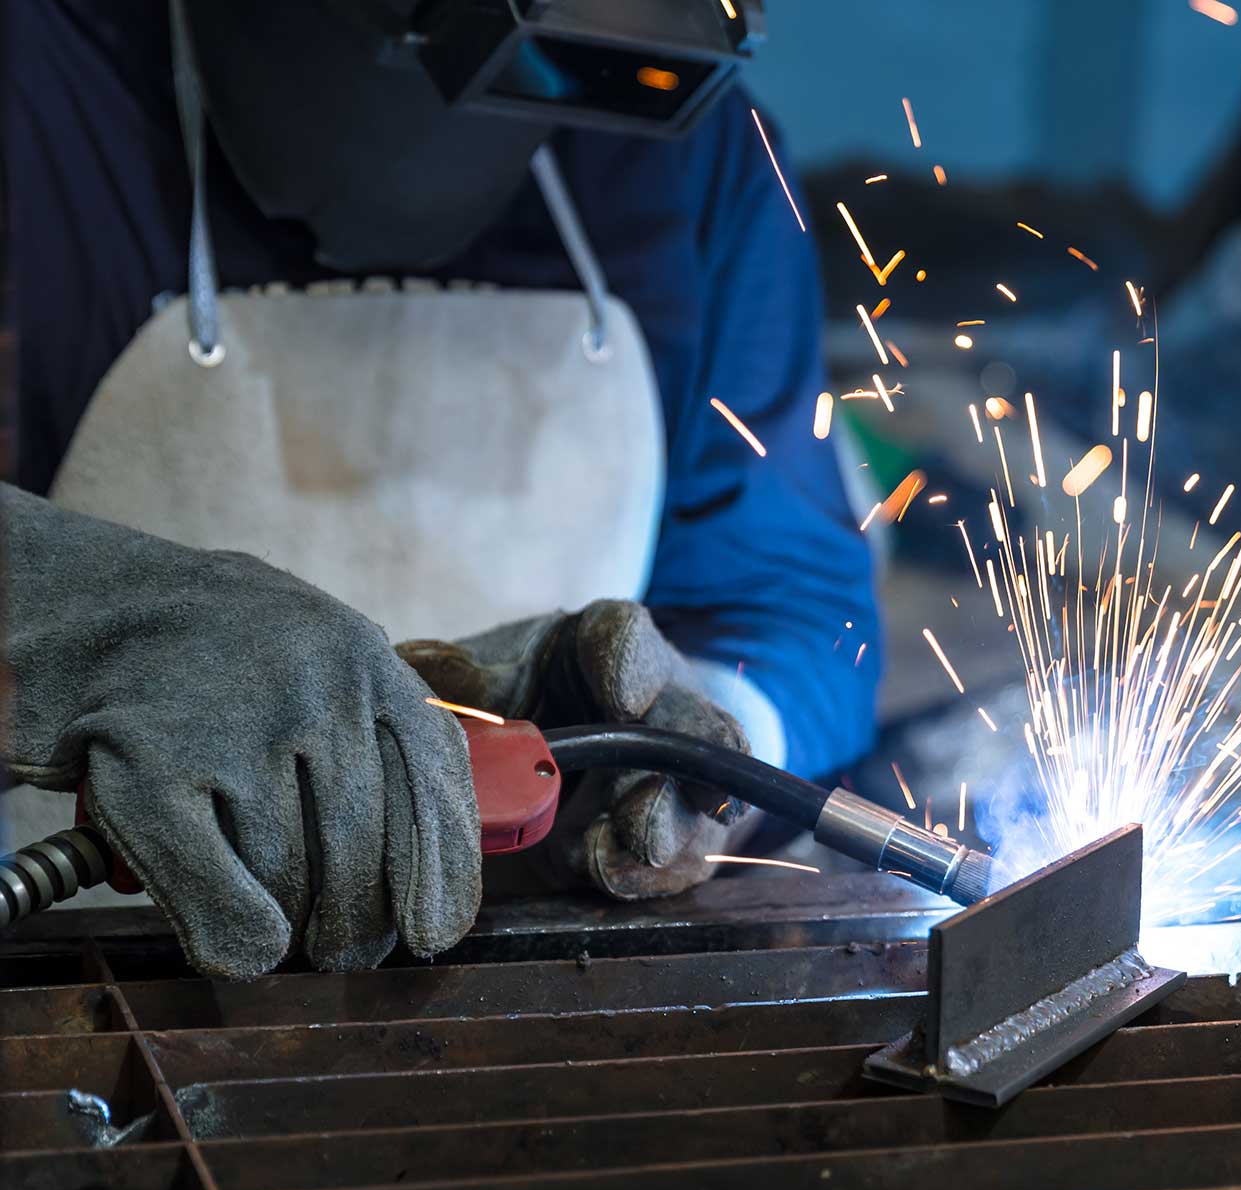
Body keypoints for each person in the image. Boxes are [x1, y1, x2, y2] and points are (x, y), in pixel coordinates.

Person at [0, 0, 881, 978]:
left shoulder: (690, 144)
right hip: (79, 949)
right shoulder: (39, 80)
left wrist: (698, 736)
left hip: (529, 980)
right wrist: (85, 627)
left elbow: (796, 608)